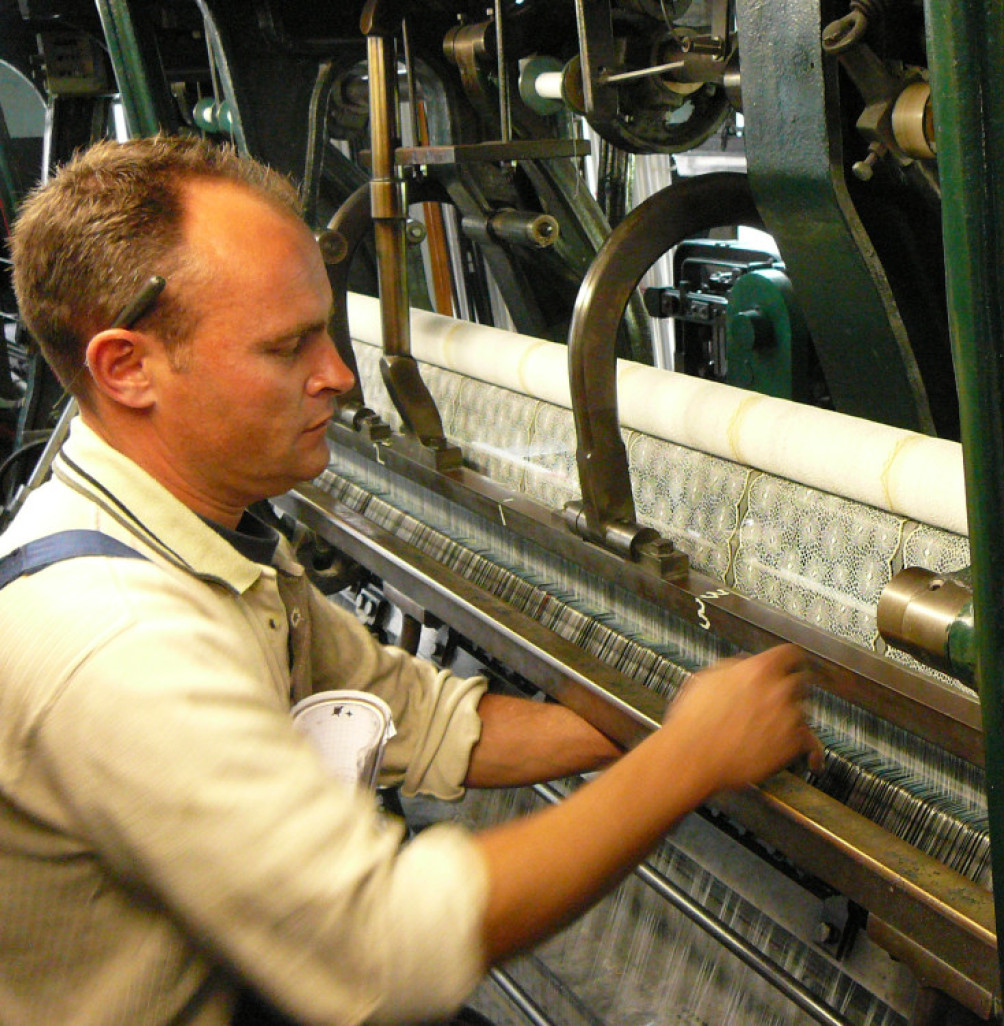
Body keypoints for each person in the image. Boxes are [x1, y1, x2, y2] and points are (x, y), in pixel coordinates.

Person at [0, 135, 821, 1026]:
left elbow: (414, 714)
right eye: (288, 348)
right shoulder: (123, 643)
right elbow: (382, 951)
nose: (339, 375)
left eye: (327, 329)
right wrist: (691, 757)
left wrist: (662, 716)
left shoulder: (198, 536)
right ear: (127, 369)